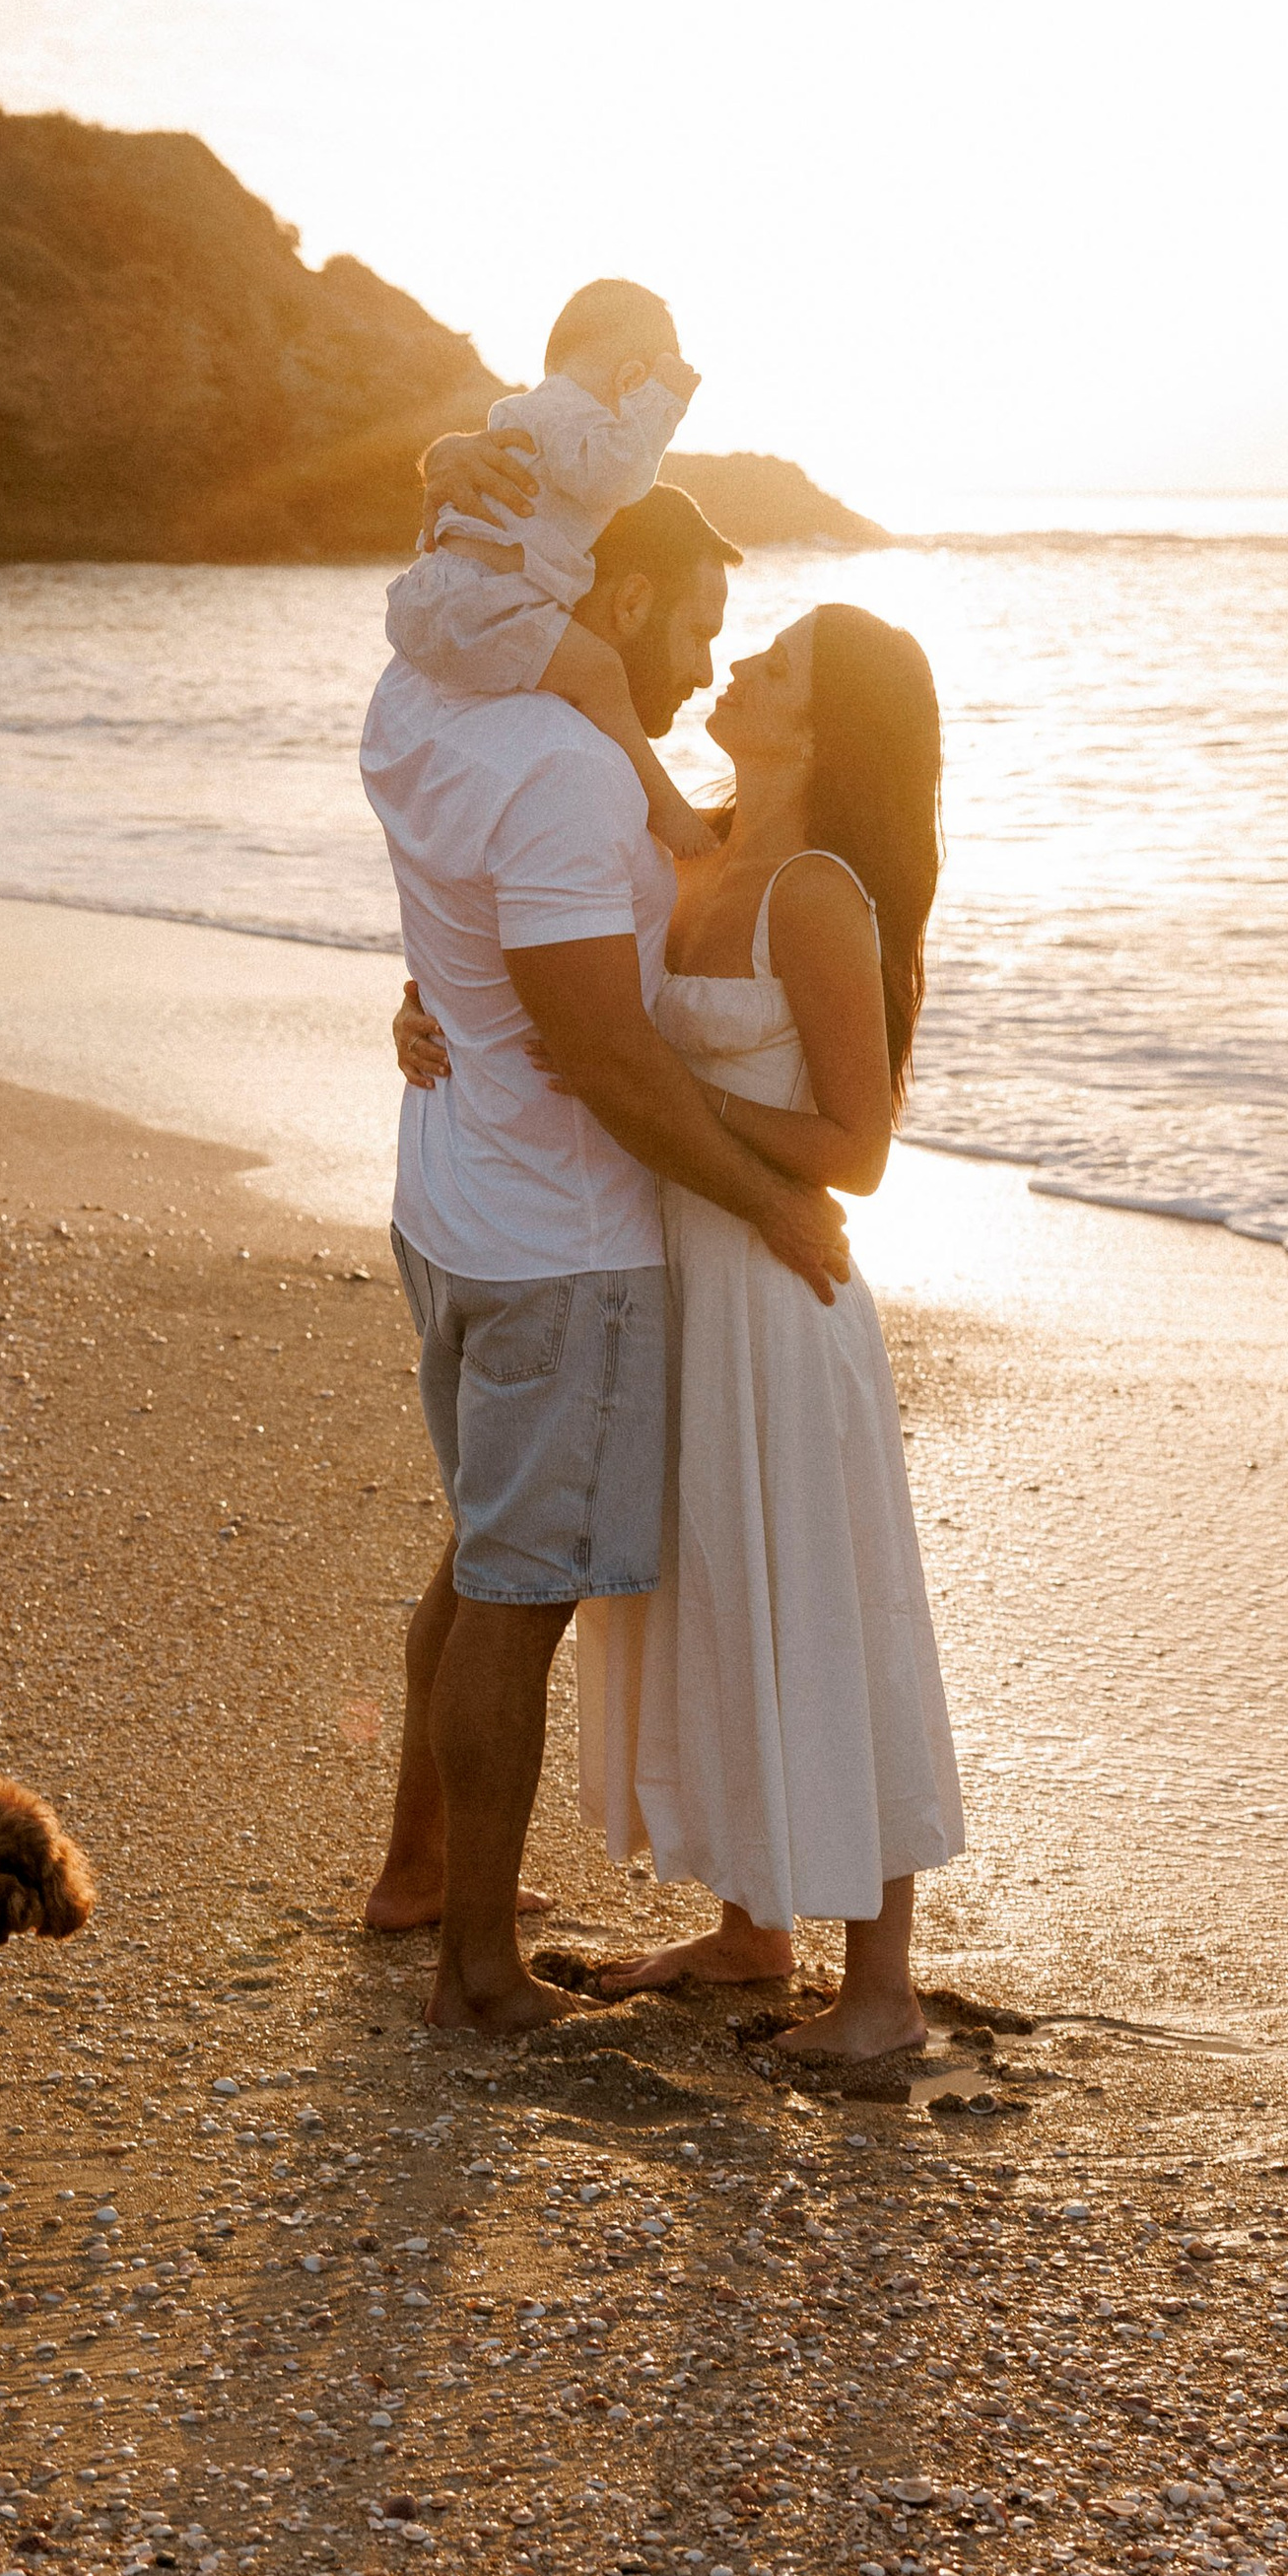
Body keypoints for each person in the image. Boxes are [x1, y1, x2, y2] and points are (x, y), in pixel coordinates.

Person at [394, 598, 965, 2064]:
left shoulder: (818, 891)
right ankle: (750, 1928)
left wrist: (644, 1088)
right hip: (677, 1272)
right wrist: (428, 1001)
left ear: (829, 728)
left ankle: (882, 1988)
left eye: (775, 667)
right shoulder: (694, 844)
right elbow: (542, 924)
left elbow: (856, 1148)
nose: (738, 670)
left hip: (780, 1300)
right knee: (714, 1594)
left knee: (821, 1607)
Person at [358, 479, 851, 2036]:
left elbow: (468, 914)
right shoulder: (573, 771)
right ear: (623, 606)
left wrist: (433, 1001)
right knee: (519, 1593)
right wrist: (768, 1200)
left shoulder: (423, 701)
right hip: (554, 1238)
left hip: (449, 1197)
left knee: (475, 1552)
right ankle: (478, 1975)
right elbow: (610, 1058)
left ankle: (421, 1878)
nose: (711, 664)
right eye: (701, 622)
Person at [382, 278, 717, 856]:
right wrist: (664, 403)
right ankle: (677, 827)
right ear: (628, 376)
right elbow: (619, 474)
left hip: (443, 596)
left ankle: (666, 818)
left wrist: (439, 453)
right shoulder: (567, 410)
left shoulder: (533, 416)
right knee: (602, 677)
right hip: (483, 603)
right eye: (637, 381)